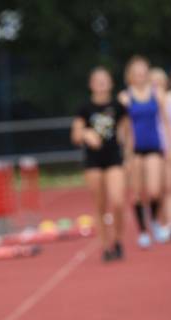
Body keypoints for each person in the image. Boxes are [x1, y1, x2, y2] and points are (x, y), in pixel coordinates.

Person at [72, 67, 129, 262]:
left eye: (105, 80)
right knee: (100, 205)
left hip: (114, 157)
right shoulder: (85, 108)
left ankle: (119, 240)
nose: (101, 84)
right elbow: (76, 135)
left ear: (111, 83)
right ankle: (106, 246)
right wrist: (87, 134)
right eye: (97, 80)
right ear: (91, 85)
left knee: (118, 201)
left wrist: (129, 153)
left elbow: (126, 132)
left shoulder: (118, 106)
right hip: (93, 161)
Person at [118, 56, 171, 248]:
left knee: (156, 189)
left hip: (154, 147)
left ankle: (155, 221)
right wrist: (125, 154)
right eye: (136, 72)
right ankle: (142, 231)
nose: (140, 76)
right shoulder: (125, 97)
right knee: (138, 193)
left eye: (143, 72)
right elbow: (123, 128)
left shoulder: (157, 94)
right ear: (130, 76)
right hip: (135, 150)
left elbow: (166, 122)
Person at [150, 67, 171, 238]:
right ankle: (159, 221)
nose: (156, 85)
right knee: (157, 189)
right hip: (154, 147)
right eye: (153, 82)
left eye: (159, 81)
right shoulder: (147, 100)